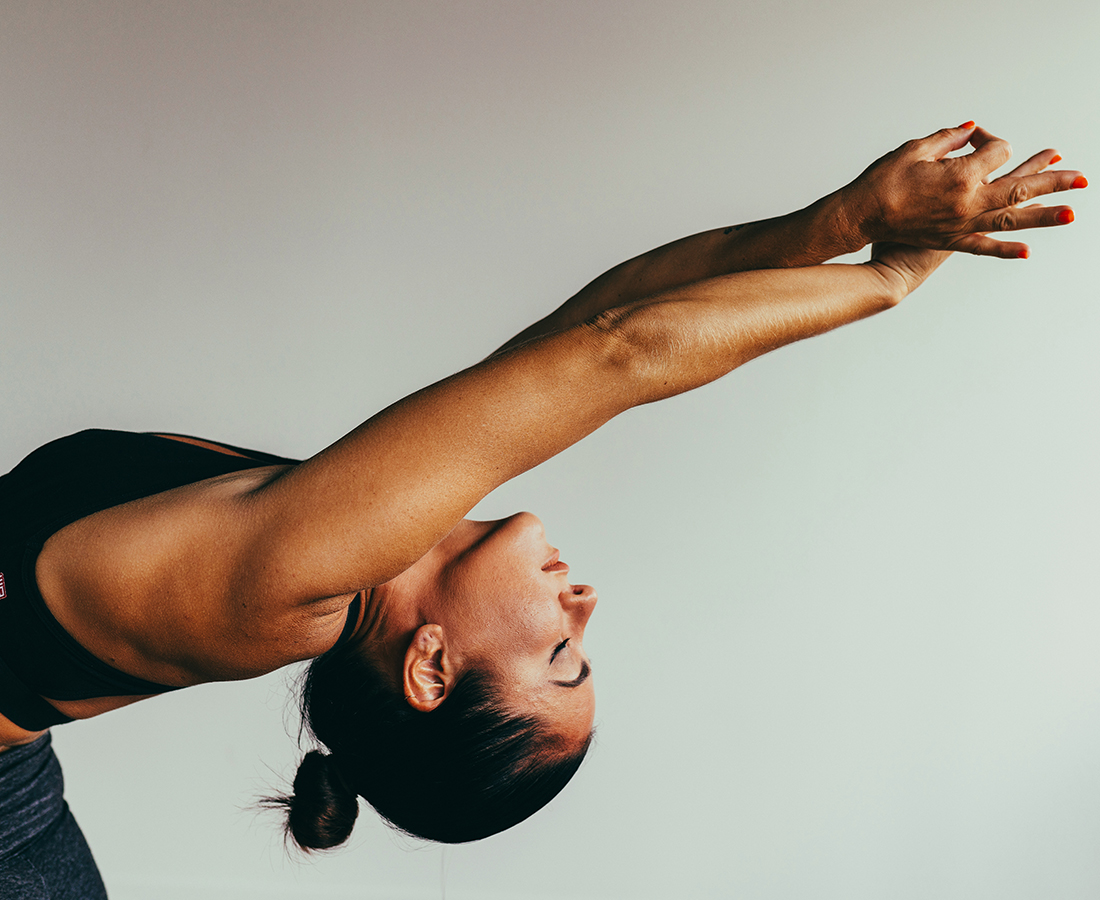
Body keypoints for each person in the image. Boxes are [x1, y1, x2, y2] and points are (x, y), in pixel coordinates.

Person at [0, 124, 1086, 895]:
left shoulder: (294, 587)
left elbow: (619, 357)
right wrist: (835, 222)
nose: (585, 606)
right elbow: (602, 321)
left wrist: (890, 281)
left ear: (428, 669)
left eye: (560, 656)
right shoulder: (363, 540)